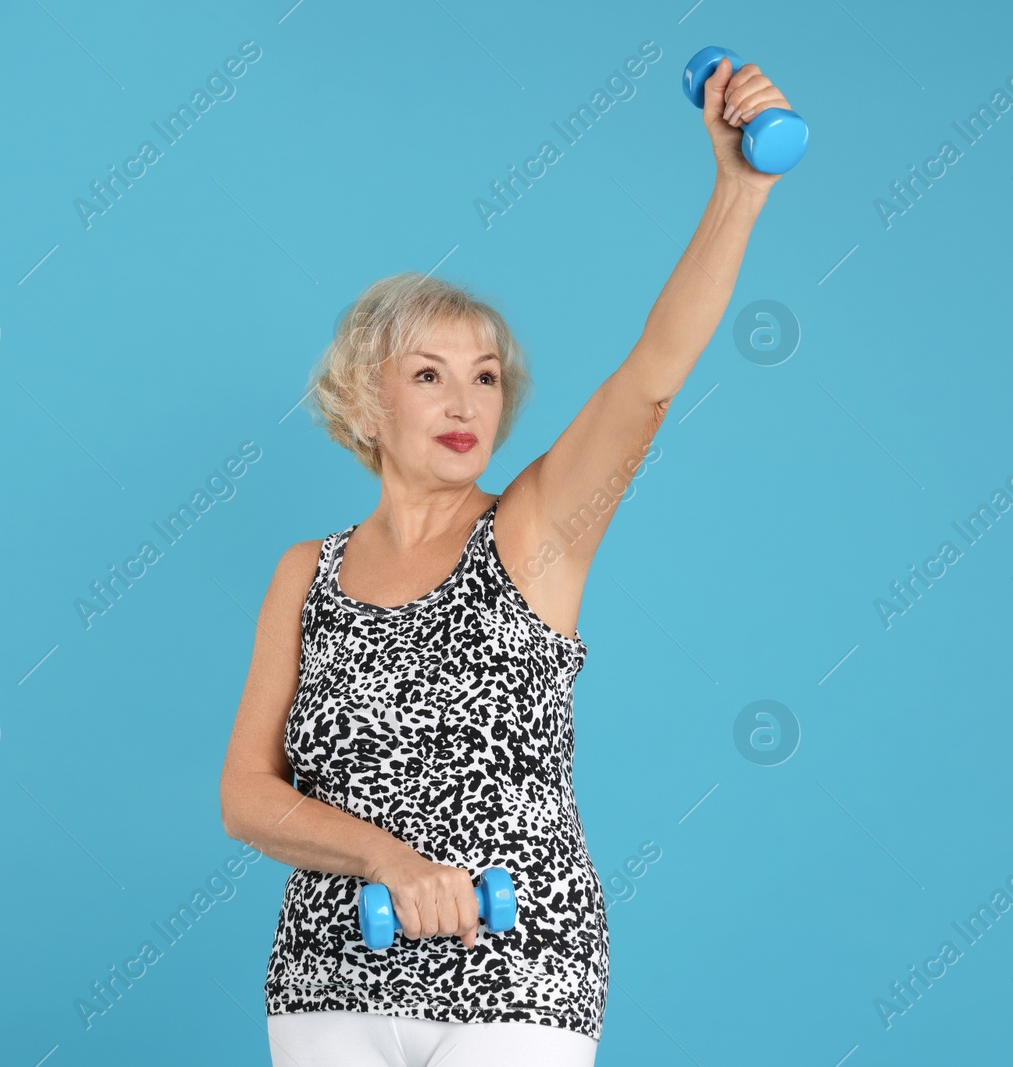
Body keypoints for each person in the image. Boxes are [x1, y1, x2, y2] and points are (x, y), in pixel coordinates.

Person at [219, 55, 791, 1067]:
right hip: (326, 974)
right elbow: (248, 797)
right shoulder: (302, 573)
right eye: (428, 374)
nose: (465, 401)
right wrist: (388, 859)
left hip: (520, 978)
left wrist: (738, 192)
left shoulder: (532, 532)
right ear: (364, 401)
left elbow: (650, 377)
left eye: (484, 377)